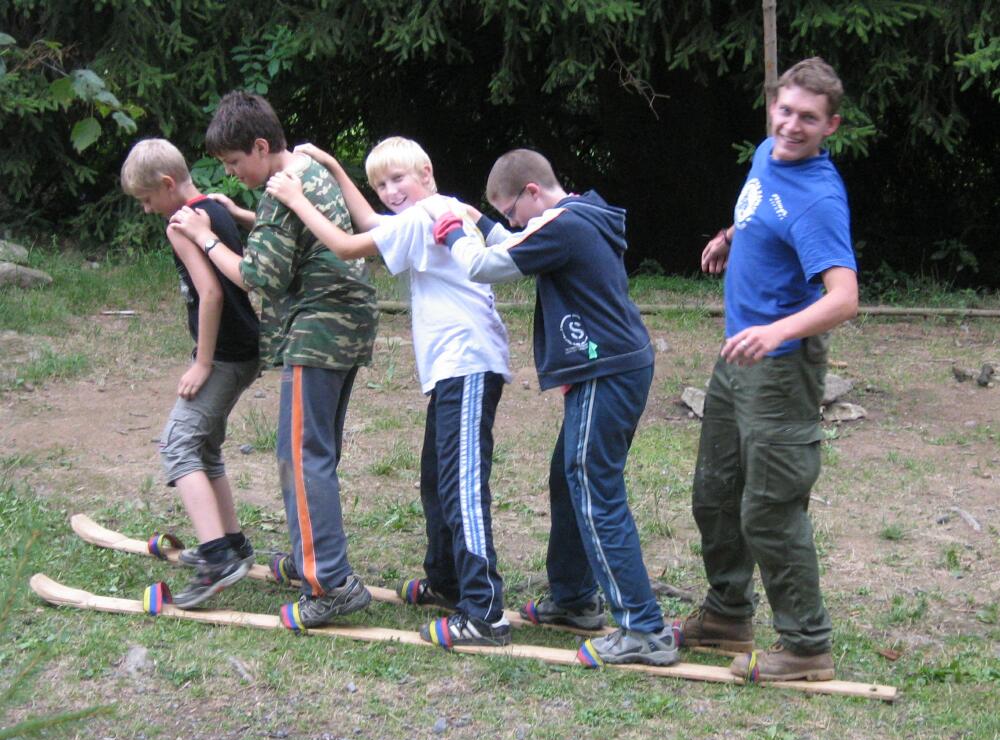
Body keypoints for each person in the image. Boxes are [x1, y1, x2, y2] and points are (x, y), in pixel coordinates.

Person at [423, 149, 678, 667]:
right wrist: (484, 222)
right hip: (611, 364)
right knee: (569, 478)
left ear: (533, 192)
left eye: (511, 211)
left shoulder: (564, 225)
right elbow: (519, 243)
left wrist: (454, 233)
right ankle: (575, 598)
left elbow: (484, 266)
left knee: (594, 486)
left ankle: (644, 628)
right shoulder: (578, 215)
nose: (513, 222)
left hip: (607, 369)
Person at [264, 137, 513, 647]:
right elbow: (372, 222)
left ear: (426, 171)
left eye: (397, 179)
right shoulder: (427, 212)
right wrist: (335, 167)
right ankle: (446, 582)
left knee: (462, 486)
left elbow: (347, 245)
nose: (389, 191)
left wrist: (296, 198)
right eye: (380, 184)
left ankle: (485, 614)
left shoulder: (428, 214)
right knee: (436, 480)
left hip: (467, 364)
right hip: (452, 370)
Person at [677, 57, 858, 682]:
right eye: (785, 110)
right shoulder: (768, 154)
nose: (791, 125)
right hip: (738, 356)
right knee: (715, 494)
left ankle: (807, 646)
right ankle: (727, 615)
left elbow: (844, 298)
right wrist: (731, 236)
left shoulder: (819, 199)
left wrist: (777, 331)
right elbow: (762, 210)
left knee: (770, 510)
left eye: (808, 117)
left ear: (830, 126)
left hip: (781, 367)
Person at [169, 92, 379, 629]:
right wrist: (246, 215)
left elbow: (256, 276)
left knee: (300, 457)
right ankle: (313, 557)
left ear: (261, 147)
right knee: (314, 453)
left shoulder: (281, 194)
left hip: (318, 332)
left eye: (235, 161)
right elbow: (294, 237)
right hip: (346, 325)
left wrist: (206, 237)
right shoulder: (304, 169)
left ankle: (330, 584)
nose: (232, 172)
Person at [120, 138, 260, 609]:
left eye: (146, 199)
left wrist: (203, 361)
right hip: (244, 349)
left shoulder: (182, 223)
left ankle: (218, 559)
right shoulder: (215, 209)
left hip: (224, 356)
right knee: (205, 448)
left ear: (166, 184)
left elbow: (211, 294)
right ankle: (233, 544)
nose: (146, 209)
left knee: (178, 445)